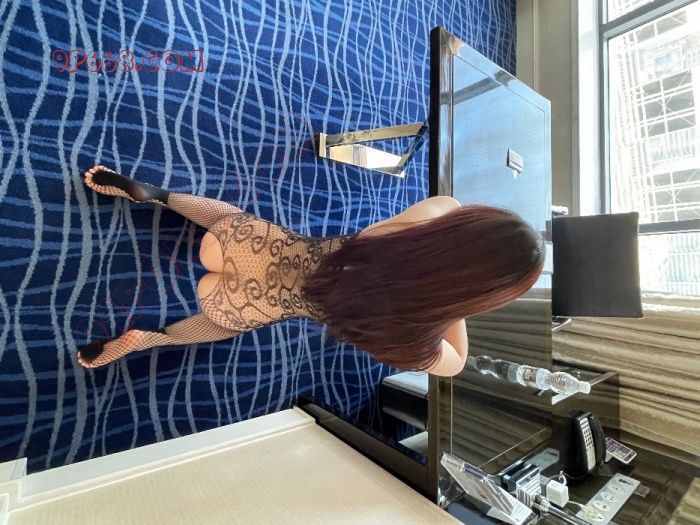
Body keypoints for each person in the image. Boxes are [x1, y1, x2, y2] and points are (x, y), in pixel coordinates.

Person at [77, 166, 545, 376]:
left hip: (245, 245)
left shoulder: (426, 221)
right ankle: (152, 338)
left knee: (229, 221)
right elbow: (455, 364)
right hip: (237, 303)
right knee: (218, 327)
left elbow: (449, 205)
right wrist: (451, 297)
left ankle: (156, 195)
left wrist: (449, 260)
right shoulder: (413, 339)